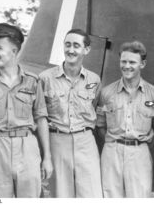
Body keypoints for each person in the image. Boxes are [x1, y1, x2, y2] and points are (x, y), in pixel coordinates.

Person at [0, 23, 53, 197]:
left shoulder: (33, 82)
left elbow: (41, 119)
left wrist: (47, 158)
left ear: (14, 51)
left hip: (27, 147)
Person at [39, 28, 103, 197]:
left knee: (92, 193)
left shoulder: (94, 80)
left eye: (76, 45)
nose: (71, 50)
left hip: (86, 141)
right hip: (57, 141)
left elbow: (94, 107)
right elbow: (41, 118)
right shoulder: (45, 78)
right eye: (67, 45)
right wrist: (46, 155)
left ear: (86, 50)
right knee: (61, 194)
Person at [96, 40, 154, 197]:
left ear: (142, 64)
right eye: (123, 61)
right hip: (112, 151)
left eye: (132, 62)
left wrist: (142, 146)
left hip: (139, 151)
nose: (127, 66)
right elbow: (101, 125)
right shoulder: (106, 93)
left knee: (139, 195)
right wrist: (114, 143)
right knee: (111, 196)